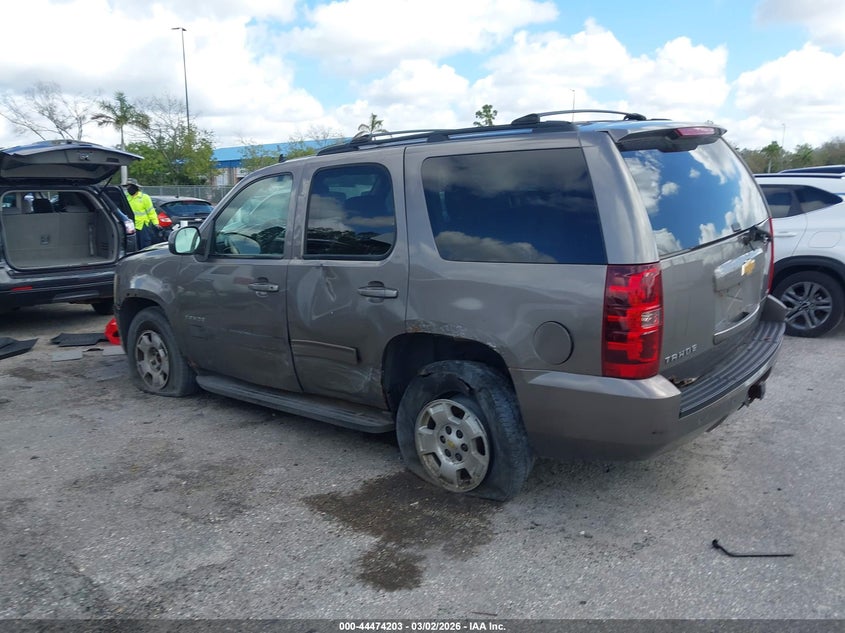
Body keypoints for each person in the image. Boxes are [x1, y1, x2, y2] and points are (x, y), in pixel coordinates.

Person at [124, 181, 160, 248]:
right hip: (130, 225)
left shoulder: (144, 197)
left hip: (142, 225)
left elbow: (151, 211)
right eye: (127, 187)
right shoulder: (126, 197)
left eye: (130, 187)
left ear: (136, 187)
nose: (128, 189)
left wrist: (156, 223)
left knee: (145, 244)